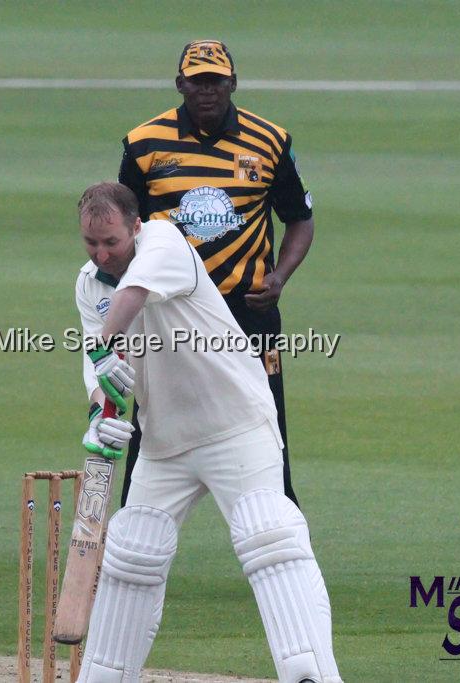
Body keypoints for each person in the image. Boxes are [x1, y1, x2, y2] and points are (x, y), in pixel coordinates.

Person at [73, 182, 341, 682]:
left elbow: (130, 298)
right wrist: (100, 414)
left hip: (235, 423)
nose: (103, 254)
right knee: (133, 554)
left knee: (269, 536)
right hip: (165, 441)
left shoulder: (164, 243)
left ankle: (310, 675)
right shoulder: (89, 285)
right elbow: (100, 370)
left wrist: (103, 346)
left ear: (135, 226)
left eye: (112, 242)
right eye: (92, 244)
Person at [118, 39, 315, 508]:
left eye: (216, 81)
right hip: (171, 315)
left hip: (247, 311)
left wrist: (280, 278)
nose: (207, 91)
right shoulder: (144, 143)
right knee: (151, 420)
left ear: (232, 82)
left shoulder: (269, 141)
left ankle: (283, 540)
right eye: (198, 81)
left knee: (268, 422)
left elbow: (299, 219)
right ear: (181, 83)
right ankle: (127, 529)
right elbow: (126, 230)